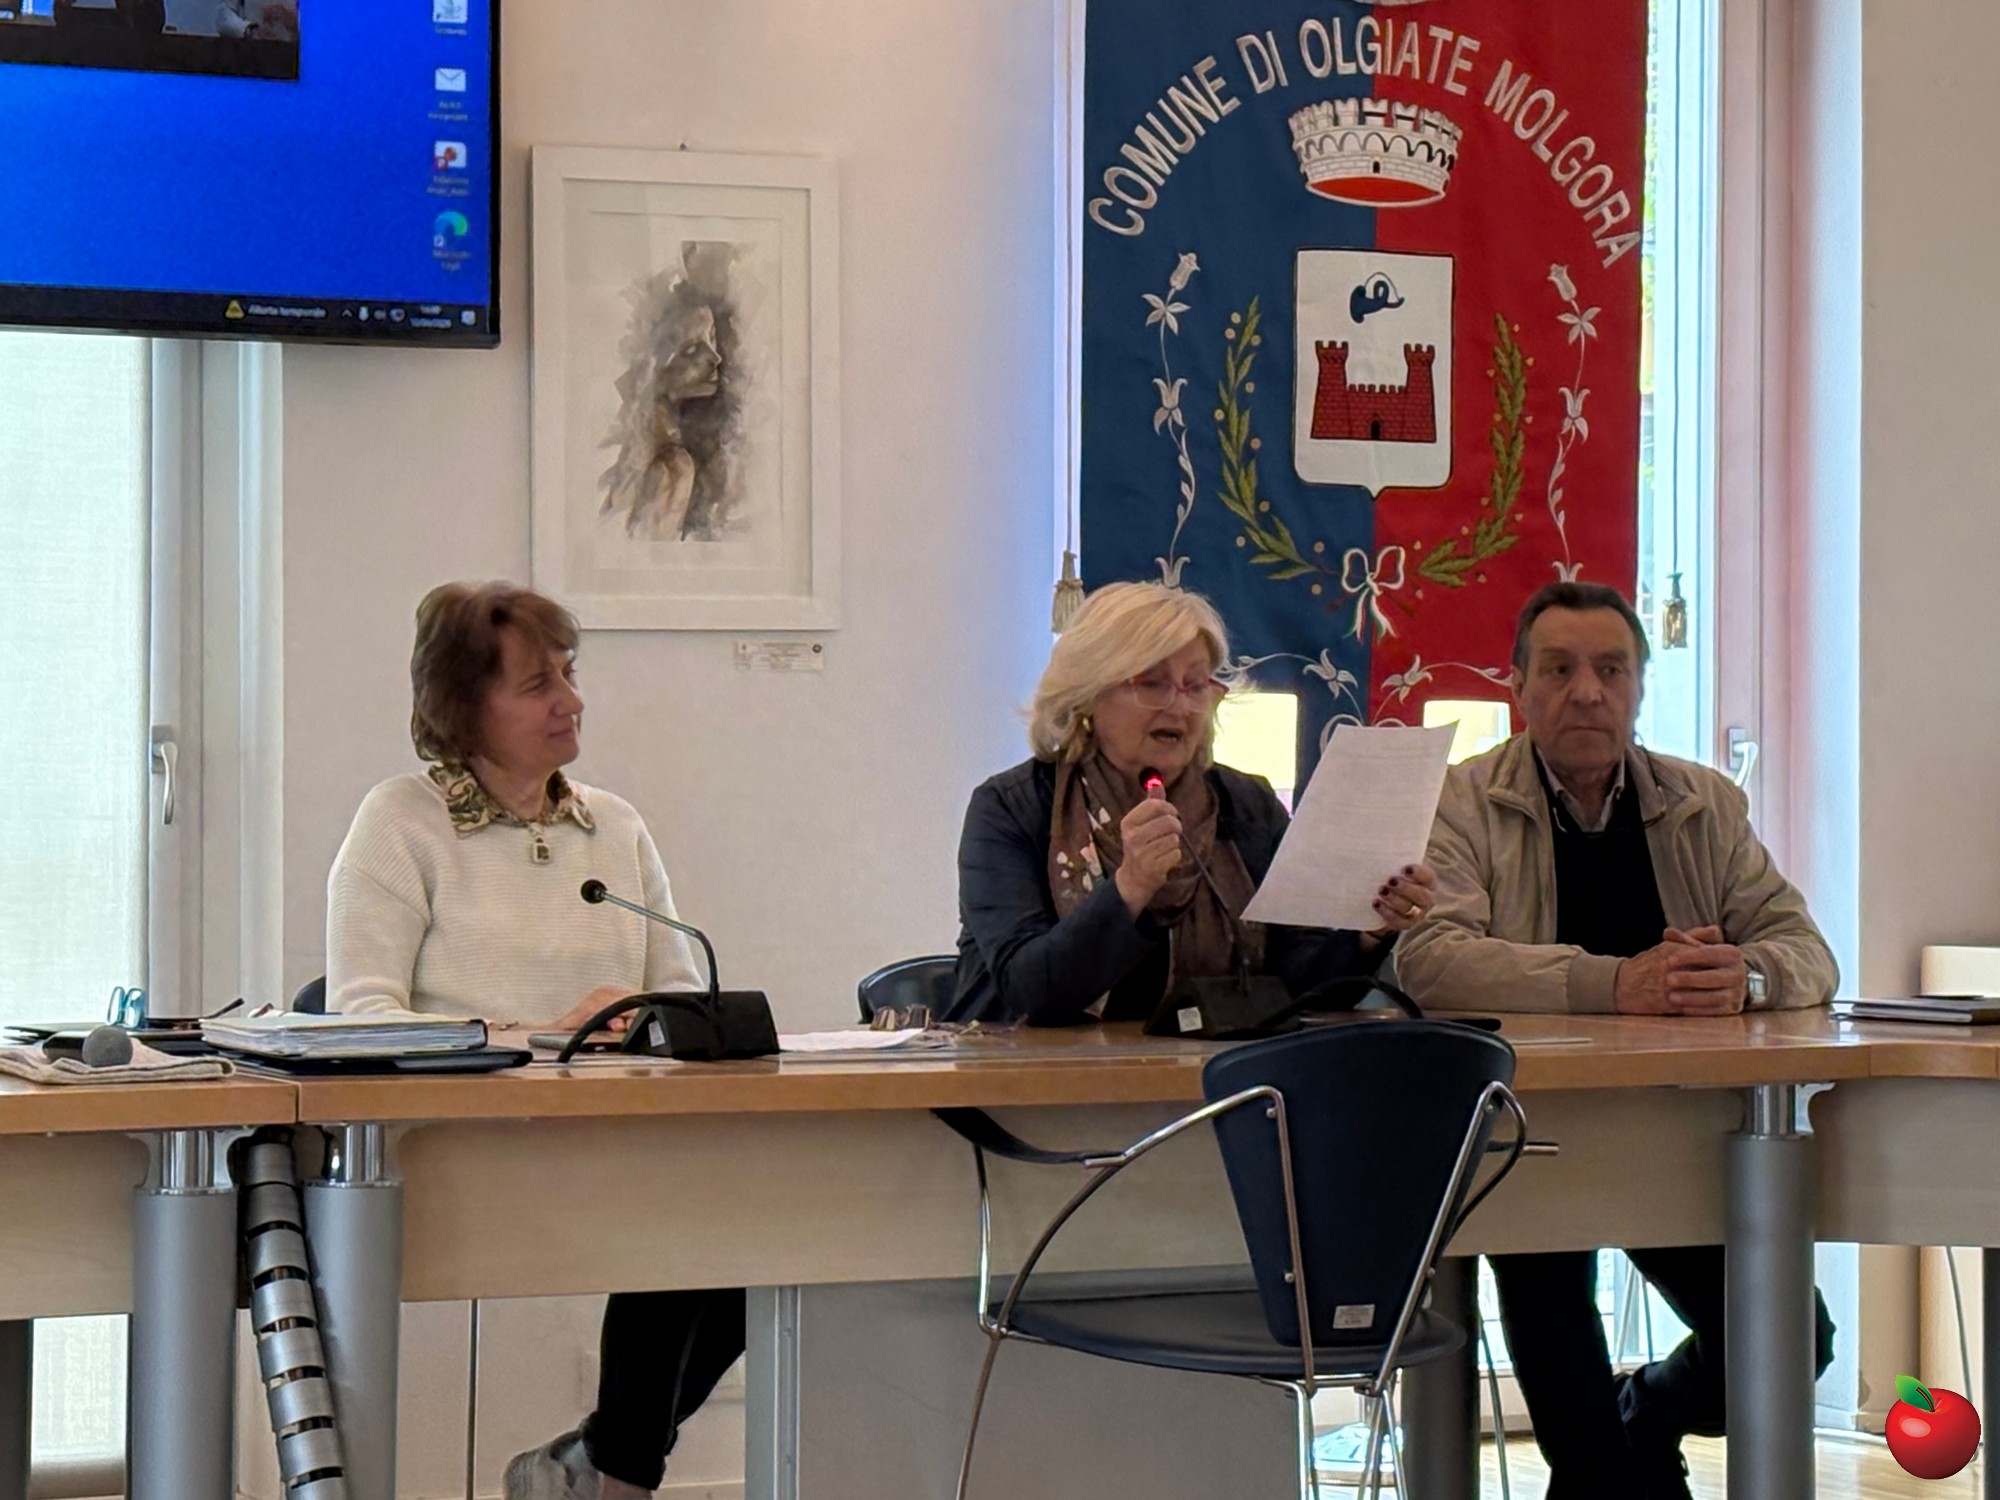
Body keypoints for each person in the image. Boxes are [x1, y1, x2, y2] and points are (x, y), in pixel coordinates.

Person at [1396, 580, 1838, 1499]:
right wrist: (1615, 982)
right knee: (1585, 1451)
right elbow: (1432, 961)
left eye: (1610, 670)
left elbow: (1807, 951)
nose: (1587, 692)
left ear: (1639, 687)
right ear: (1519, 686)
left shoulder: (1704, 804)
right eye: (1559, 670)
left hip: (1676, 1136)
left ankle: (1648, 1413)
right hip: (1526, 1138)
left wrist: (1748, 978)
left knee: (1796, 1342)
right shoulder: (1460, 801)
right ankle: (1611, 1465)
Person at [326, 581, 737, 1500]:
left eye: (570, 674)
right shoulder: (400, 823)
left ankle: (604, 1470)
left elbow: (683, 998)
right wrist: (539, 1036)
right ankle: (606, 1476)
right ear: (464, 704)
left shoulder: (616, 826)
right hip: (460, 1155)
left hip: (614, 1145)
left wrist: (645, 1018)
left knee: (754, 1224)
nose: (571, 701)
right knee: (684, 1222)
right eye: (538, 684)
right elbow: (360, 1017)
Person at [949, 581, 1434, 1025]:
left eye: (1196, 685)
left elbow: (1298, 984)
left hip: (1204, 1074)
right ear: (1088, 695)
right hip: (1028, 1078)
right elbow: (1029, 991)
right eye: (1152, 683)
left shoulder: (1246, 804)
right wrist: (1131, 886)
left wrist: (1370, 930)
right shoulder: (1012, 808)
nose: (1180, 707)